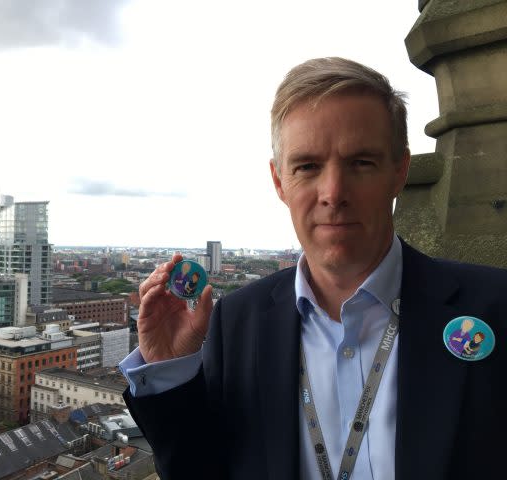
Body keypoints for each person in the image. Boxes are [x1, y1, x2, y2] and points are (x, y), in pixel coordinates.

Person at [119, 57, 507, 480]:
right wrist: (169, 370)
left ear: (400, 172)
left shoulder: (495, 307)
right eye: (307, 166)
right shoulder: (235, 322)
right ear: (279, 182)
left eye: (361, 162)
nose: (333, 192)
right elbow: (201, 470)